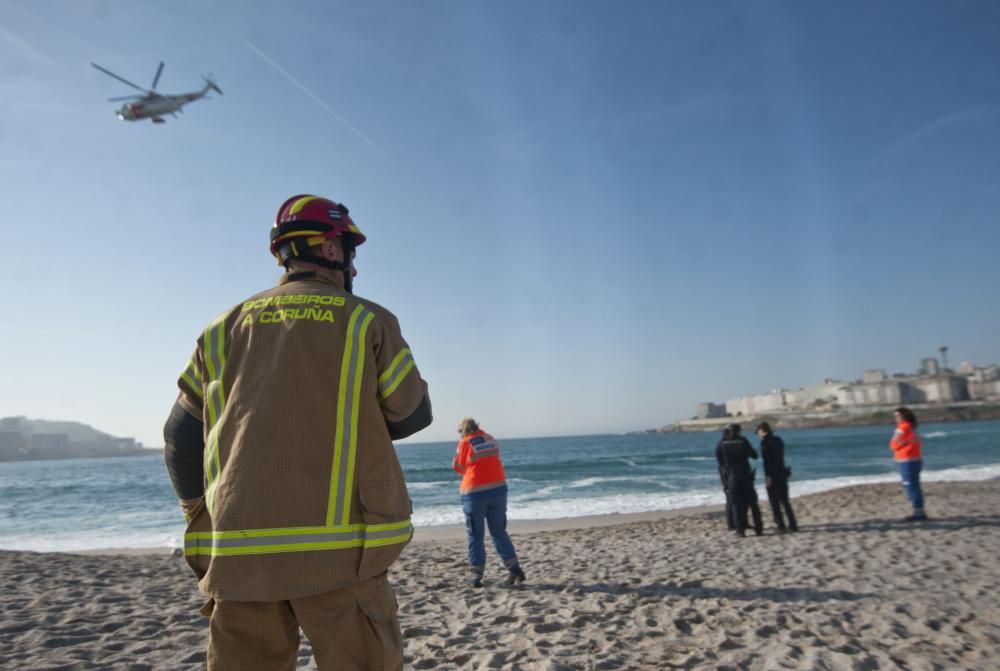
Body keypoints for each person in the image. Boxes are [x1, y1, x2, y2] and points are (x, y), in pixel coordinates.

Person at [163, 194, 432, 670]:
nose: (354, 266)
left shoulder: (220, 329)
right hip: (345, 558)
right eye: (350, 251)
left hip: (239, 559)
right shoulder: (365, 319)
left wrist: (199, 514)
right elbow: (411, 414)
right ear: (330, 250)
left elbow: (180, 435)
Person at [452, 418, 526, 587]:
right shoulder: (491, 439)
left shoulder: (465, 442)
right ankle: (514, 569)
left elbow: (458, 467)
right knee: (499, 532)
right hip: (499, 489)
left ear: (463, 430)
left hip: (475, 493)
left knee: (475, 534)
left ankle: (476, 576)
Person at [715, 423, 763, 537]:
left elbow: (719, 459)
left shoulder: (722, 443)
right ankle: (759, 528)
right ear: (738, 431)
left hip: (732, 476)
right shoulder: (743, 441)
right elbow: (754, 455)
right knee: (752, 503)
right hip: (745, 475)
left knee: (735, 504)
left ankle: (740, 530)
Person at [756, 422, 798, 533]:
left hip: (773, 475)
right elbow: (780, 457)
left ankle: (781, 525)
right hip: (782, 472)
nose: (758, 435)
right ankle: (793, 524)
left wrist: (768, 476)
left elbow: (767, 462)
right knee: (785, 501)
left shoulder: (765, 443)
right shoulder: (779, 440)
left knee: (774, 502)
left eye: (758, 432)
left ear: (762, 431)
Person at [890, 406, 927, 521]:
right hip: (915, 458)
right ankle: (919, 510)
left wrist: (904, 442)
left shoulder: (902, 428)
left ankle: (918, 512)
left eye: (898, 416)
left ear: (904, 416)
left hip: (907, 459)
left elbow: (893, 445)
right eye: (895, 416)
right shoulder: (912, 427)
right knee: (914, 485)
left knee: (910, 485)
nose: (896, 418)